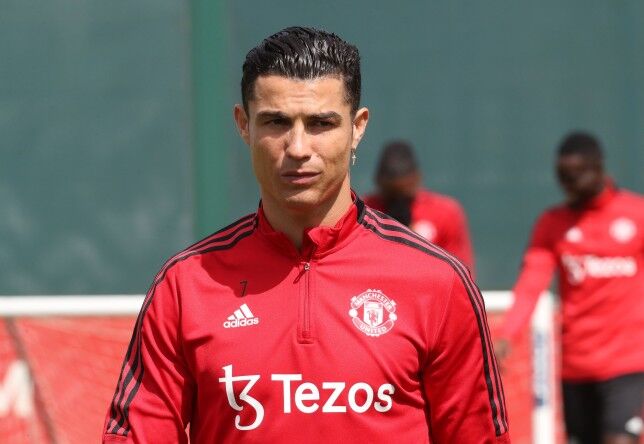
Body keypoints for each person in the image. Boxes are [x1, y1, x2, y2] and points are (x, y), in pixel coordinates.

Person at [103, 26, 509, 443]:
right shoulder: (185, 285)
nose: (298, 148)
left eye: (321, 123)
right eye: (276, 122)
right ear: (243, 125)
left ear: (358, 127)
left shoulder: (437, 283)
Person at [495, 132, 644, 444]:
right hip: (577, 366)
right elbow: (531, 284)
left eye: (576, 174)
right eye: (563, 175)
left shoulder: (636, 214)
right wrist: (507, 335)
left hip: (629, 364)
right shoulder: (553, 223)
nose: (568, 183)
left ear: (598, 167)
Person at [364, 140, 474, 271]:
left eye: (405, 193)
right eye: (392, 193)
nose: (399, 200)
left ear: (417, 178)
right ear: (379, 181)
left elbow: (459, 272)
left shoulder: (444, 213)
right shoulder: (363, 211)